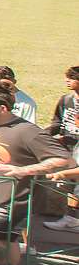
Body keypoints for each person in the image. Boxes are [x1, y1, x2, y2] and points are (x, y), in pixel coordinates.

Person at [0, 82, 70, 265]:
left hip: (15, 199)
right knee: (9, 239)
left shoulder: (27, 131)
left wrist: (24, 170)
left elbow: (63, 158)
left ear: (3, 108)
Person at [44, 66, 79, 232]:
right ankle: (71, 217)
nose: (67, 81)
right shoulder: (66, 100)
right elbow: (57, 123)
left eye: (71, 78)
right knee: (69, 184)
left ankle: (71, 219)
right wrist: (45, 134)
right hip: (67, 148)